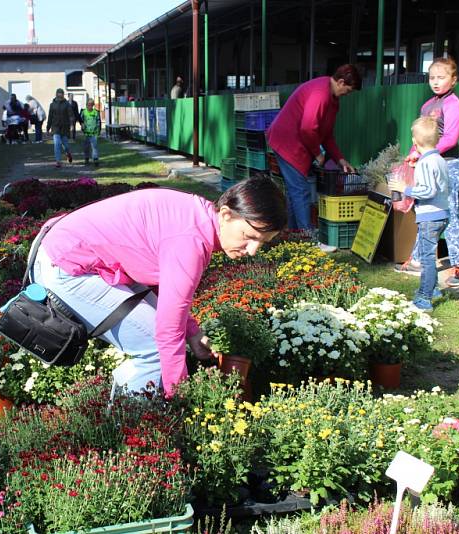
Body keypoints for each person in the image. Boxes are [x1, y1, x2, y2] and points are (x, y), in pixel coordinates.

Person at [30, 177, 286, 398]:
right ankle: (136, 429)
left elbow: (168, 296)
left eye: (262, 243)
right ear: (227, 214)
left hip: (62, 250)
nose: (253, 250)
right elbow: (167, 330)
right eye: (250, 237)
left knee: (155, 339)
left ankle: (132, 412)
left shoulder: (198, 216)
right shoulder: (190, 243)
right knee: (152, 346)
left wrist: (193, 333)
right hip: (66, 267)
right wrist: (180, 397)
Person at [265, 64, 361, 251]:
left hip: (296, 143)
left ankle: (294, 235)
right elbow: (308, 129)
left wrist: (340, 160)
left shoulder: (333, 100)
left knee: (295, 192)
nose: (347, 94)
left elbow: (327, 135)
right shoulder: (320, 93)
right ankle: (309, 240)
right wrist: (318, 154)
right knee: (300, 191)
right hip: (287, 142)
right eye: (348, 90)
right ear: (341, 82)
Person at [394, 57, 459, 287]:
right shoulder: (427, 105)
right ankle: (418, 260)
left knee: (451, 213)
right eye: (432, 77)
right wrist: (411, 154)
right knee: (424, 210)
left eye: (441, 77)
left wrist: (425, 154)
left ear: (453, 80)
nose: (436, 82)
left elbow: (450, 138)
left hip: (448, 164)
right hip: (425, 162)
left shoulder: (453, 104)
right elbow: (420, 135)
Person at [388, 116, 449, 311]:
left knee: (426, 258)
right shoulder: (438, 159)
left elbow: (428, 191)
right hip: (442, 214)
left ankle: (424, 298)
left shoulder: (425, 163)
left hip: (430, 217)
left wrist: (405, 188)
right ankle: (434, 289)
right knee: (429, 255)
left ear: (415, 141)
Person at [46, 88, 74, 167]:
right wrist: (48, 128)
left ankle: (68, 154)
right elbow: (50, 117)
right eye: (58, 93)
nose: (60, 95)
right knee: (57, 144)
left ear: (63, 94)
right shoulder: (52, 105)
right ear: (56, 94)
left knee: (66, 145)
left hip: (65, 127)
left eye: (61, 94)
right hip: (55, 127)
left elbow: (71, 115)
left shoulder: (67, 104)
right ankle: (58, 161)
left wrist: (72, 124)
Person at [80, 98, 101, 166]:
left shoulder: (95, 112)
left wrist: (98, 131)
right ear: (86, 105)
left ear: (93, 105)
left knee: (94, 147)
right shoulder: (84, 112)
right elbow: (81, 120)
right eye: (88, 105)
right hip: (86, 133)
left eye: (91, 105)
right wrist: (82, 124)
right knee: (86, 147)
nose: (89, 106)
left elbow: (98, 122)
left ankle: (95, 159)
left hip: (94, 133)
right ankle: (86, 158)